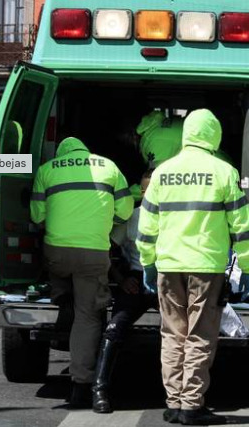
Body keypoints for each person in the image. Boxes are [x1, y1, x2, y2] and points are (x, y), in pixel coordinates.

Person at [136, 109, 249, 425]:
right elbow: (242, 226)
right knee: (200, 335)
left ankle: (174, 403)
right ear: (214, 134)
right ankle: (191, 405)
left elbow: (147, 225)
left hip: (168, 265)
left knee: (172, 334)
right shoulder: (224, 172)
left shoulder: (162, 172)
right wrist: (247, 267)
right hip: (206, 266)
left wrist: (148, 262)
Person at [30, 136, 133, 408]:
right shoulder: (109, 167)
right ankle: (80, 386)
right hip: (93, 255)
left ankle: (62, 296)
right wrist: (105, 219)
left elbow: (37, 216)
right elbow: (125, 212)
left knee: (57, 267)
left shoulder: (47, 170)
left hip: (57, 254)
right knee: (87, 316)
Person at [92, 169, 158, 414]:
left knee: (180, 333)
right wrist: (120, 279)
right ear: (141, 191)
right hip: (137, 280)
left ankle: (181, 394)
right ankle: (99, 391)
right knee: (113, 329)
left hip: (168, 280)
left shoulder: (177, 217)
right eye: (148, 189)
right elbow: (105, 249)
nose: (153, 194)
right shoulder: (133, 217)